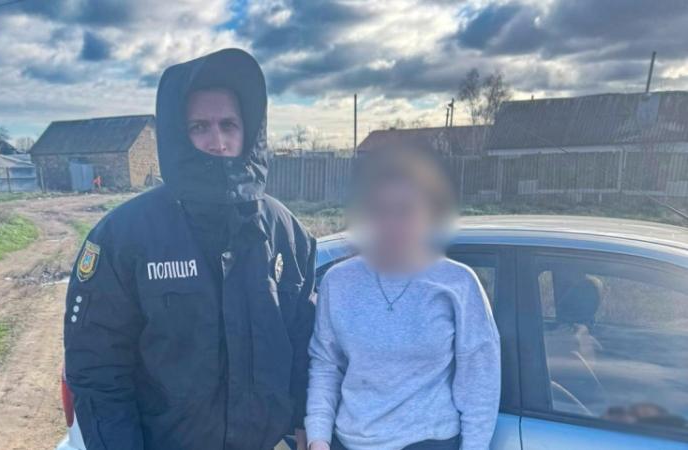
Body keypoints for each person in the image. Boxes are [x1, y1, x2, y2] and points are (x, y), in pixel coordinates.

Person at [64, 48, 316, 450]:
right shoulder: (123, 237)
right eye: (200, 126)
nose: (217, 142)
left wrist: (305, 421)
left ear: (249, 130)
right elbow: (98, 371)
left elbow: (305, 345)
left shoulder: (285, 232)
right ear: (178, 134)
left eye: (228, 124)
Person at [305, 147, 501, 450]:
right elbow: (326, 364)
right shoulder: (338, 282)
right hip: (350, 441)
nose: (392, 223)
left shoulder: (457, 283)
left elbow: (479, 380)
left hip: (428, 441)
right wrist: (318, 438)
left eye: (405, 210)